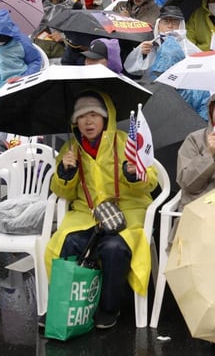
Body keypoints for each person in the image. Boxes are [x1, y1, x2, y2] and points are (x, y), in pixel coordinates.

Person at [45, 91, 158, 329]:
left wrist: (133, 174)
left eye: (94, 114)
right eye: (82, 116)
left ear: (106, 117)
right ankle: (64, 307)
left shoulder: (125, 141)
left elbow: (151, 180)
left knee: (114, 247)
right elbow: (62, 192)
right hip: (86, 214)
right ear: (75, 121)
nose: (88, 122)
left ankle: (109, 308)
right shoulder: (70, 149)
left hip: (126, 211)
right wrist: (66, 173)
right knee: (69, 242)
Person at [124, 5, 199, 77]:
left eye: (174, 22)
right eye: (166, 21)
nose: (170, 26)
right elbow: (134, 70)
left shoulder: (189, 49)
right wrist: (143, 54)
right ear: (158, 25)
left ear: (181, 25)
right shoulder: (151, 45)